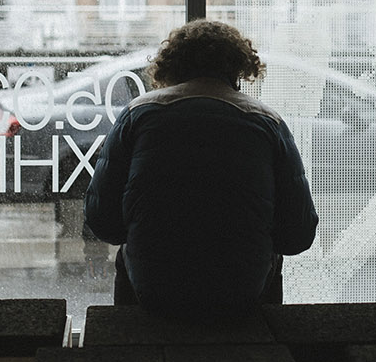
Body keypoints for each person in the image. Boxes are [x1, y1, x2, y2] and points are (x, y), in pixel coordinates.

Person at [83, 20, 318, 321]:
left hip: (155, 291)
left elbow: (103, 221)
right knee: (270, 256)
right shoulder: (267, 122)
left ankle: (132, 340)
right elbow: (297, 234)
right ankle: (263, 341)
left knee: (129, 252)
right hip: (242, 293)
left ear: (170, 65)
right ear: (239, 67)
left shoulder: (136, 115)